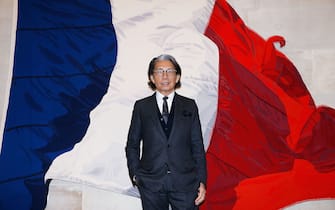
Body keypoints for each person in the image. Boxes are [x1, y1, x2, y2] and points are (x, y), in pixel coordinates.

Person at [125, 54, 207, 210]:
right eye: (159, 71)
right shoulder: (141, 107)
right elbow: (132, 145)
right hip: (151, 184)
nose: (165, 75)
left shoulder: (190, 106)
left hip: (185, 184)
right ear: (152, 77)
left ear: (177, 77)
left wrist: (201, 180)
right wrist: (136, 175)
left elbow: (197, 146)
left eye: (170, 70)